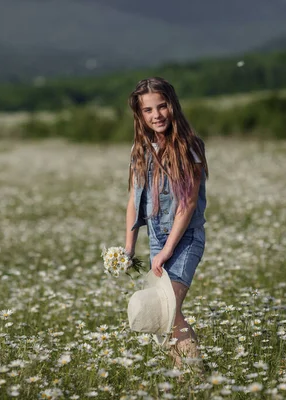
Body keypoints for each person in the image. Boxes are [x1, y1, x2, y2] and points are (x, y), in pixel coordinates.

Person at [124, 77, 208, 372]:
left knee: (167, 310)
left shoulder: (189, 147)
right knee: (166, 317)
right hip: (158, 240)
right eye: (148, 110)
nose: (156, 115)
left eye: (162, 107)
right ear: (140, 115)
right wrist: (128, 248)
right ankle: (186, 375)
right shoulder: (141, 150)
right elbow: (134, 201)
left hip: (184, 240)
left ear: (172, 106)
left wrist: (167, 250)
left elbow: (187, 204)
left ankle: (197, 378)